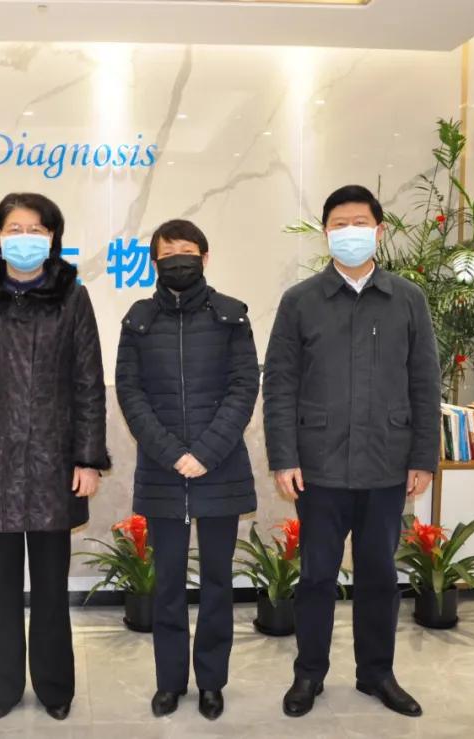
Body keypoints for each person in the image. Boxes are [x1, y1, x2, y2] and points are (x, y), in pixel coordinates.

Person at [263, 184, 441, 719]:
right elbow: (280, 384)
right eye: (339, 224)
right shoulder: (300, 301)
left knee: (379, 576)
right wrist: (283, 457)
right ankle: (308, 674)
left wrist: (423, 457)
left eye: (360, 223)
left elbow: (425, 383)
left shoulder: (408, 299)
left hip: (387, 464)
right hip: (318, 467)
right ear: (326, 233)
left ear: (379, 230)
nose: (350, 232)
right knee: (317, 576)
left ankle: (377, 673)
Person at [0, 192, 110, 722]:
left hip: (54, 465)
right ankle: (3, 687)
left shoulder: (72, 297)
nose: (25, 238)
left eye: (36, 229)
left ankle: (56, 687)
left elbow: (88, 384)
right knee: (0, 590)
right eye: (14, 228)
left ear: (53, 237)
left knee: (52, 589)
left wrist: (88, 459)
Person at [115, 219, 259, 721]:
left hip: (220, 467)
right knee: (168, 584)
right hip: (163, 470)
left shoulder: (231, 315)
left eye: (187, 251)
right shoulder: (138, 320)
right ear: (154, 262)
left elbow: (244, 388)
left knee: (218, 583)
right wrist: (173, 453)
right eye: (168, 252)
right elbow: (130, 393)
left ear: (205, 257)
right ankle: (170, 682)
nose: (178, 259)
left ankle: (212, 682)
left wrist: (205, 453)